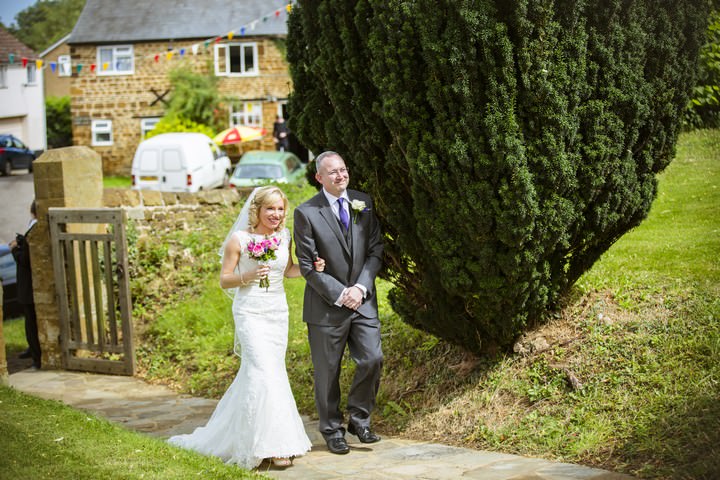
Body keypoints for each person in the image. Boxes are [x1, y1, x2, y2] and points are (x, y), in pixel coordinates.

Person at [169, 186, 323, 469]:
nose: (276, 214)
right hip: (250, 311)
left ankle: (260, 436)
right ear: (258, 210)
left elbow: (288, 270)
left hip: (277, 312)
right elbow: (224, 280)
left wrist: (311, 268)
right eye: (270, 209)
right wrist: (248, 275)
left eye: (280, 209)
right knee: (263, 370)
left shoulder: (283, 237)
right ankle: (273, 446)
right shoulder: (239, 239)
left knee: (270, 372)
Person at [293, 151, 384, 455]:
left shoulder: (363, 202)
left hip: (362, 301)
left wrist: (359, 288)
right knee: (327, 372)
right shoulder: (306, 213)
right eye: (332, 172)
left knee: (372, 358)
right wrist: (339, 292)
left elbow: (375, 250)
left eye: (343, 169)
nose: (340, 175)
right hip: (326, 306)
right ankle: (332, 429)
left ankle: (360, 419)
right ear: (319, 177)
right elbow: (306, 265)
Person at [11, 199, 41, 369]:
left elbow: (25, 259)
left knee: (31, 322)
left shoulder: (35, 229)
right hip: (26, 285)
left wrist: (15, 249)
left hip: (28, 285)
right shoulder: (33, 226)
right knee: (29, 321)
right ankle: (32, 350)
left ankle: (37, 358)